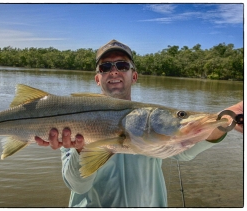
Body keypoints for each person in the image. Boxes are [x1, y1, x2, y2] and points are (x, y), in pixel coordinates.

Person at [35, 39, 243, 207]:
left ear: (133, 75)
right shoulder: (72, 119)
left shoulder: (151, 127)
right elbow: (77, 186)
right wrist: (81, 151)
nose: (114, 71)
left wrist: (225, 120)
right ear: (97, 79)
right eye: (105, 67)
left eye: (122, 65)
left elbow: (185, 149)